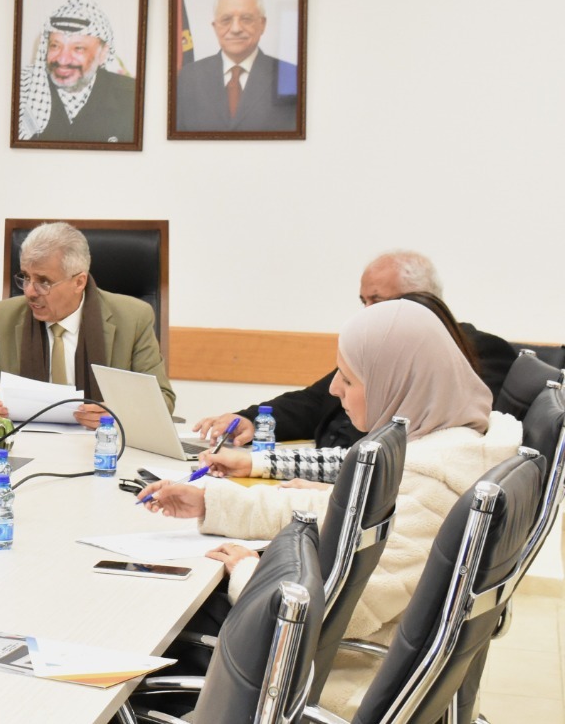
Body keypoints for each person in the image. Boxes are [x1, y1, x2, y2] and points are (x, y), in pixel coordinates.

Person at [140, 299, 522, 715]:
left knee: (164, 633)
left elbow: (350, 612)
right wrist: (213, 502)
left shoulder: (432, 486)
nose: (335, 389)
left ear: (397, 383)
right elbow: (340, 510)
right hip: (340, 661)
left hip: (336, 681)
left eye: (349, 378)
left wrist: (250, 572)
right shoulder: (440, 450)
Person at [194, 251, 516, 448]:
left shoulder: (481, 351)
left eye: (377, 301)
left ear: (419, 301)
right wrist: (250, 420)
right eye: (364, 302)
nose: (367, 313)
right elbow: (314, 400)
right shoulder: (373, 351)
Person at [0, 221, 173, 428]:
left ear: (79, 282)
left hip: (103, 446)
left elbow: (162, 398)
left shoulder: (133, 318)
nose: (29, 291)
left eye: (43, 281)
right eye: (26, 277)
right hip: (25, 445)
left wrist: (118, 413)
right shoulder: (4, 317)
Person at [16, 0, 137, 144]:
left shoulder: (132, 97)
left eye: (78, 48)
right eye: (55, 46)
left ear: (102, 54)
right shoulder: (23, 90)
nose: (63, 59)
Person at [174, 0, 299, 132]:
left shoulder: (290, 75)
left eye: (246, 19)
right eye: (226, 20)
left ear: (262, 24)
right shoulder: (188, 76)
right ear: (215, 27)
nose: (235, 29)